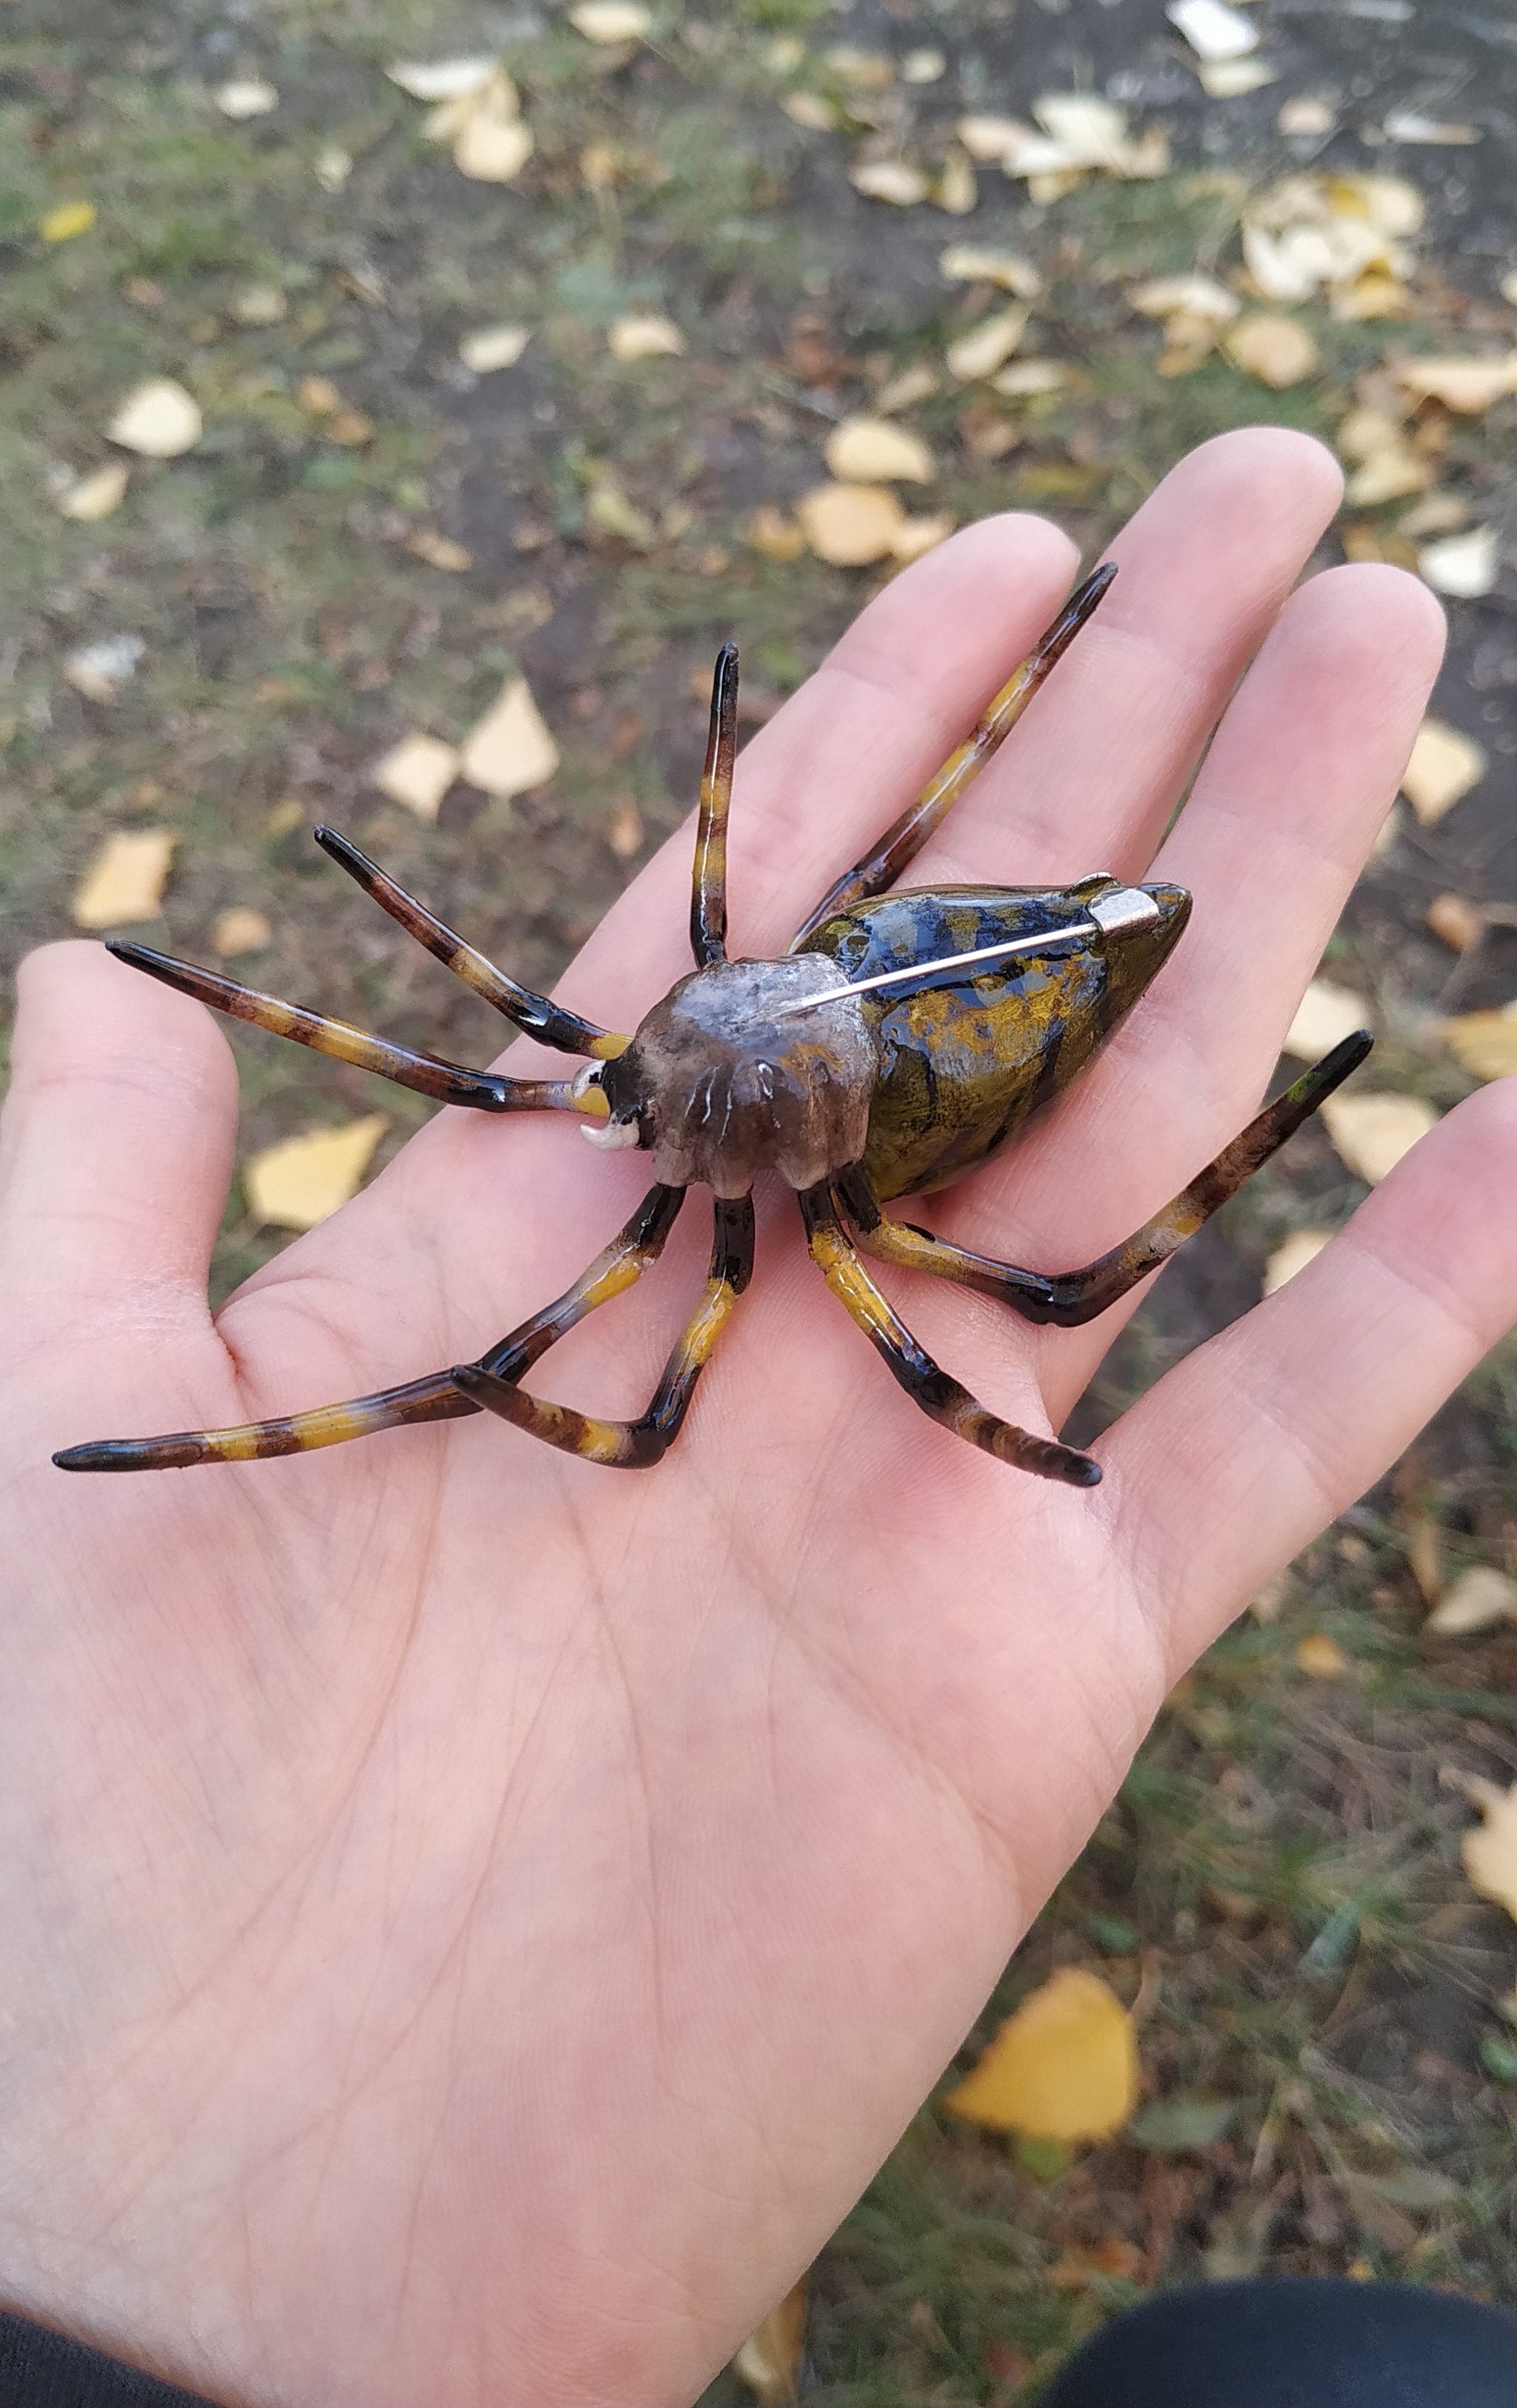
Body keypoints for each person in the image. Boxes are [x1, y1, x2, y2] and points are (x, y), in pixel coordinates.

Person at [1, 431, 1514, 2408]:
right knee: (889, 1184)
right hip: (855, 993)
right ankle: (1095, 735)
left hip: (897, 1014)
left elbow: (698, 1363)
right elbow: (544, 1054)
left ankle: (1113, 766)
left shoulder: (735, 1212)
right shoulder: (675, 1041)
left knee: (987, 1269)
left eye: (626, 1085)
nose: (602, 1097)